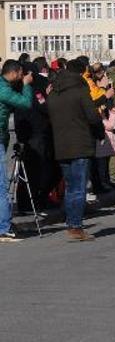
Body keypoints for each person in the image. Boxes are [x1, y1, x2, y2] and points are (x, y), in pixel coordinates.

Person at [47, 58, 103, 242]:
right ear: (81, 73)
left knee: (71, 187)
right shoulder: (80, 91)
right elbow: (93, 117)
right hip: (80, 143)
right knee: (79, 188)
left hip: (60, 145)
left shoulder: (54, 93)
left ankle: (71, 222)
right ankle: (76, 227)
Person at [13, 58, 58, 212]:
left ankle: (26, 202)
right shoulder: (35, 89)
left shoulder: (19, 88)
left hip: (25, 133)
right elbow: (44, 108)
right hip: (36, 134)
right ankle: (33, 201)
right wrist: (49, 96)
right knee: (36, 170)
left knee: (27, 171)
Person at [0, 60, 33, 242]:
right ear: (13, 73)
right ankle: (3, 228)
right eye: (21, 74)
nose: (22, 78)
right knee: (2, 187)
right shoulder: (4, 90)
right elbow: (25, 103)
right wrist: (27, 86)